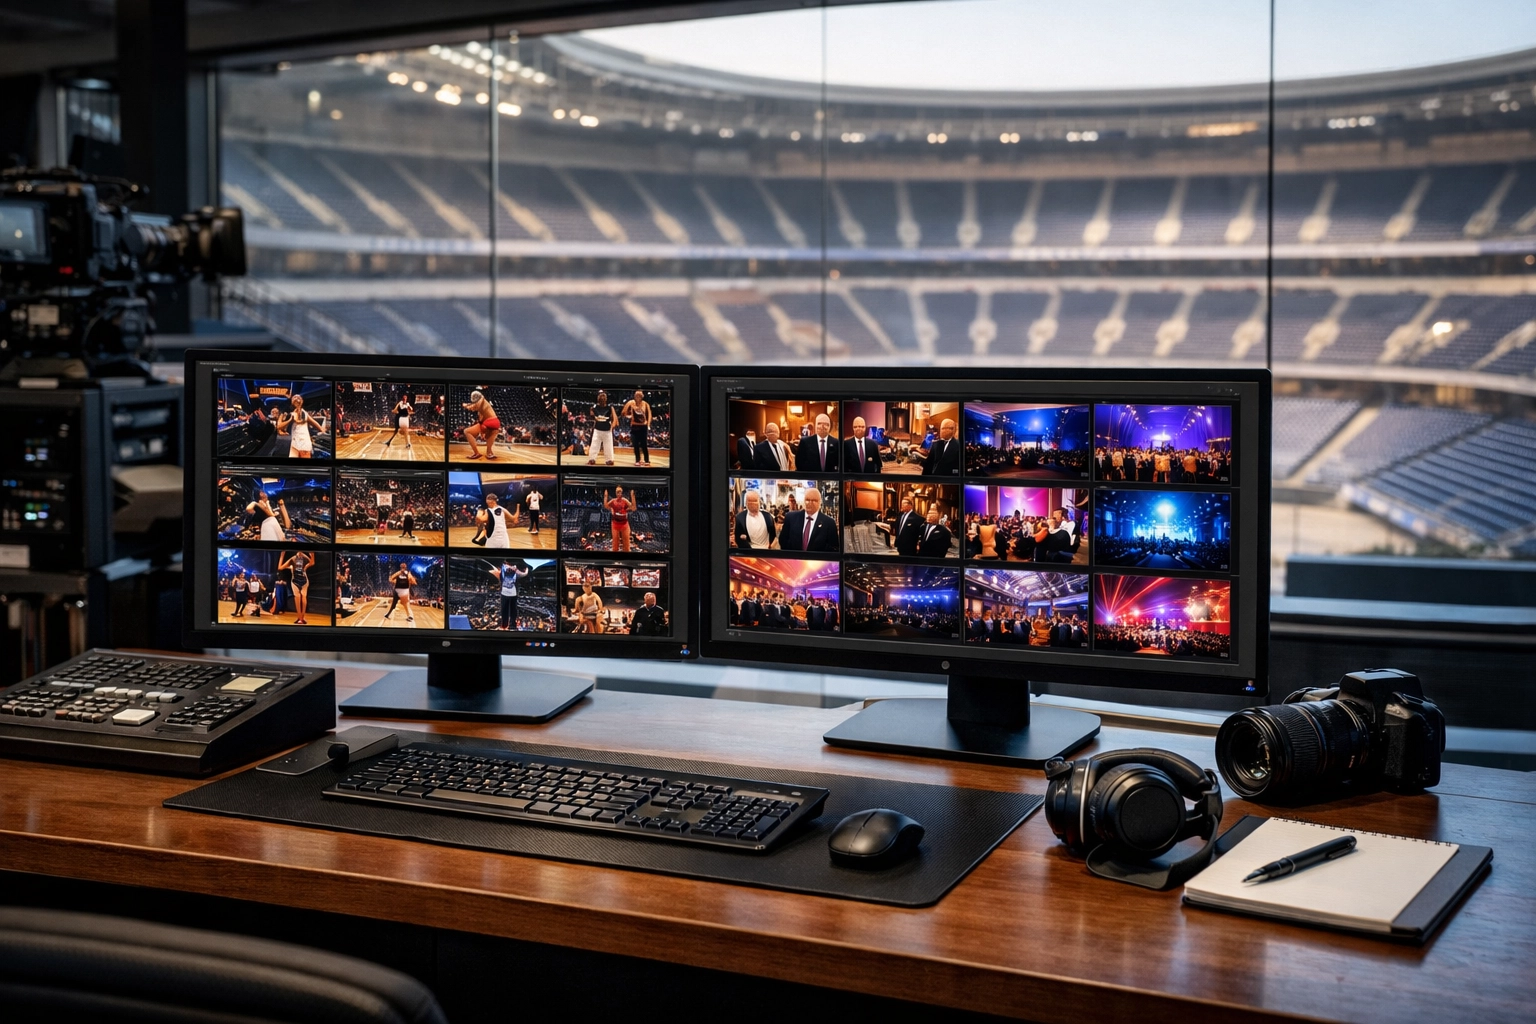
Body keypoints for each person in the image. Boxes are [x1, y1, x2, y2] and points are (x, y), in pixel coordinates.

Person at [779, 488, 837, 553]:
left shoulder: (829, 523)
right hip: (793, 561)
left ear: (820, 502)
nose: (810, 503)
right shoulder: (791, 518)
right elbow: (783, 541)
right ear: (803, 501)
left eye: (814, 500)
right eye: (807, 500)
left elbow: (833, 548)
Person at [460, 389, 501, 461]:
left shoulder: (481, 400)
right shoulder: (483, 404)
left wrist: (466, 405)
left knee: (467, 431)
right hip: (495, 422)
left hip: (489, 422)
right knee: (489, 435)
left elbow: (475, 407)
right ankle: (489, 453)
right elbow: (480, 418)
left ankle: (476, 453)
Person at [278, 394, 322, 459]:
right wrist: (290, 420)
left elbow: (315, 423)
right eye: (294, 397)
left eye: (298, 397)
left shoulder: (305, 414)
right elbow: (279, 426)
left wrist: (322, 431)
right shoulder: (288, 413)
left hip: (304, 443)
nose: (296, 399)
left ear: (301, 401)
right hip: (294, 444)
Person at [490, 560, 529, 630]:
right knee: (505, 611)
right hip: (505, 593)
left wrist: (526, 571)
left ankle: (512, 626)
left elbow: (522, 574)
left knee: (512, 611)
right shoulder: (504, 568)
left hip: (512, 594)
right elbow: (504, 571)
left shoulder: (514, 570)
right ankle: (505, 625)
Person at [279, 550, 313, 625]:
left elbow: (312, 562)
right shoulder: (292, 560)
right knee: (297, 598)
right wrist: (282, 555)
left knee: (304, 597)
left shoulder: (304, 560)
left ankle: (302, 617)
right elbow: (280, 567)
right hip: (295, 581)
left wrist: (310, 555)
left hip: (304, 580)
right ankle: (300, 617)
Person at [622, 390, 653, 466]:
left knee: (644, 444)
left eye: (639, 395)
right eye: (636, 395)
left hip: (643, 426)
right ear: (634, 396)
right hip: (634, 426)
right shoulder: (631, 403)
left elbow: (649, 415)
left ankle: (647, 460)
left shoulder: (645, 404)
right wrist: (628, 415)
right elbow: (623, 412)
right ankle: (637, 460)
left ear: (642, 396)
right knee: (635, 444)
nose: (638, 396)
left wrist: (648, 425)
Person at [588, 391, 617, 466]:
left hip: (607, 430)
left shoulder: (610, 407)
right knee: (594, 444)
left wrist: (613, 425)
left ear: (606, 399)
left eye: (604, 396)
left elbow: (615, 418)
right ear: (598, 398)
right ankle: (592, 459)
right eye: (601, 396)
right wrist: (593, 414)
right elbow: (591, 414)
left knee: (608, 446)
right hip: (597, 429)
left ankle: (609, 459)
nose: (602, 398)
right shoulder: (594, 407)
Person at [605, 486, 633, 552]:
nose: (619, 494)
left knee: (626, 543)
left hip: (624, 523)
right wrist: (611, 508)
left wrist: (627, 509)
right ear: (616, 493)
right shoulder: (613, 501)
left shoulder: (624, 500)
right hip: (615, 523)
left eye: (620, 493)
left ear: (622, 493)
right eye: (618, 493)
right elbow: (606, 505)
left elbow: (631, 506)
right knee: (615, 543)